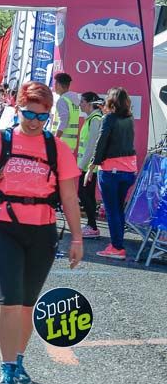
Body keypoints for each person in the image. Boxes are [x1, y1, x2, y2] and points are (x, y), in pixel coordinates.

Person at [0, 81, 83, 384]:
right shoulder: (1, 138)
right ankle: (6, 368)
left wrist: (77, 239)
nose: (33, 120)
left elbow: (70, 197)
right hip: (3, 227)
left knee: (27, 304)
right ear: (17, 108)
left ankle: (18, 361)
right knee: (9, 299)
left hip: (41, 231)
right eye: (28, 113)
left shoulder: (56, 149)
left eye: (41, 116)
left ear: (49, 116)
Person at [88, 87, 137, 260]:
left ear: (111, 101)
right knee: (118, 209)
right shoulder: (129, 119)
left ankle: (117, 247)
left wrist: (92, 167)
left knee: (112, 210)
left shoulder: (108, 118)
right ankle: (117, 244)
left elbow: (101, 143)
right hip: (129, 171)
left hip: (111, 170)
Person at [75, 92, 104, 239]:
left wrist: (81, 166)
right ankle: (91, 225)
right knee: (87, 195)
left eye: (82, 101)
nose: (80, 104)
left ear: (89, 103)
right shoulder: (92, 118)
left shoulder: (95, 119)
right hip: (88, 166)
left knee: (84, 194)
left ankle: (92, 226)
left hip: (89, 167)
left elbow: (92, 146)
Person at [51, 72, 80, 154]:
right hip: (70, 143)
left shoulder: (62, 101)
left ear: (59, 85)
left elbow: (63, 120)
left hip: (61, 143)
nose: (54, 87)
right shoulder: (73, 100)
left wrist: (55, 139)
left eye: (55, 84)